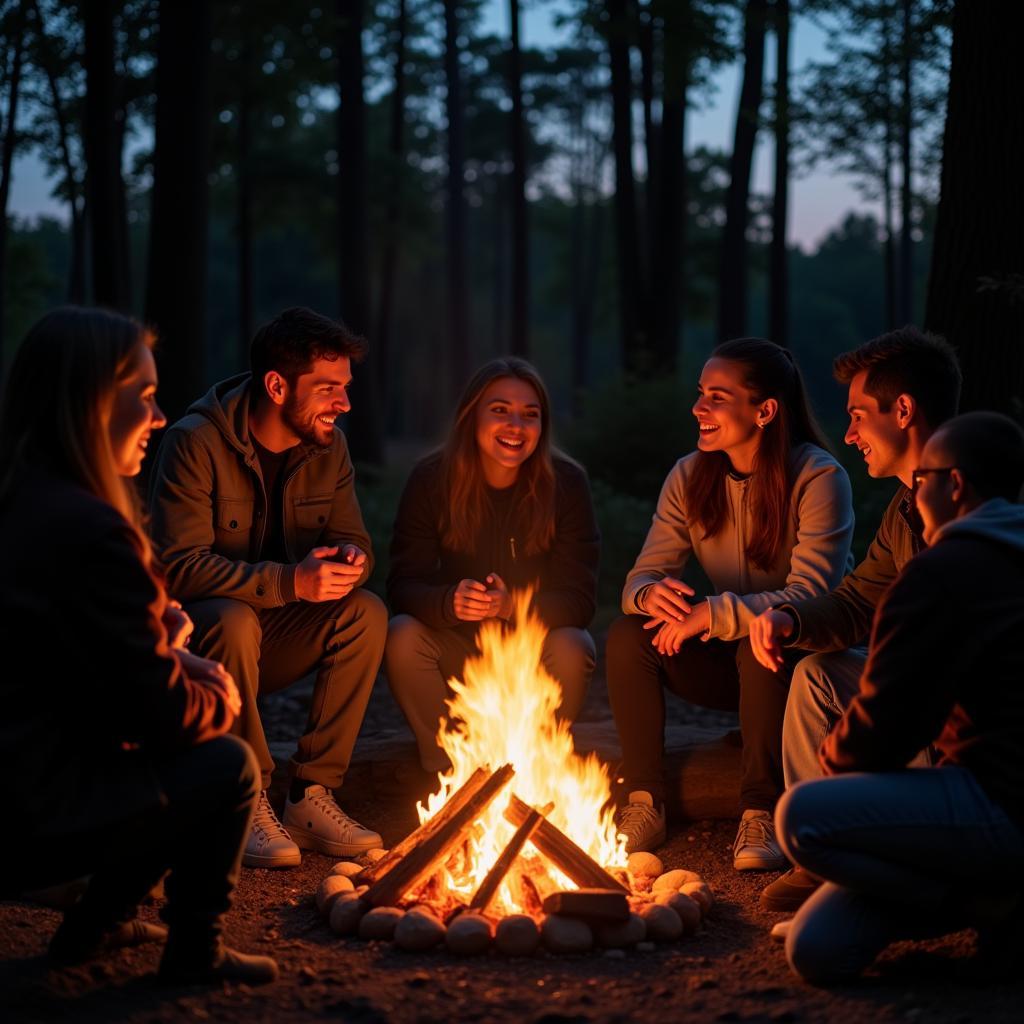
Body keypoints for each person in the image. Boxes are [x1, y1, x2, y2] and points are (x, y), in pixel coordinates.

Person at [0, 307, 276, 984]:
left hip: (19, 787)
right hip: (32, 819)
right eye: (145, 398)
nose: (157, 418)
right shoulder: (95, 532)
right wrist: (212, 684)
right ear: (93, 402)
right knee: (227, 766)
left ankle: (94, 930)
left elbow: (57, 671)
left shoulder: (22, 505)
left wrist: (162, 649)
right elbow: (164, 719)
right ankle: (196, 950)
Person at [775, 411, 1024, 985]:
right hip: (982, 801)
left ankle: (993, 904)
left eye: (923, 481)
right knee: (818, 949)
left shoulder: (944, 570)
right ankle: (984, 897)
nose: (915, 495)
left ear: (954, 485)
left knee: (802, 817)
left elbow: (886, 729)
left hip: (997, 802)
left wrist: (836, 776)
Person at [149, 307, 387, 869]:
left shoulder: (331, 449)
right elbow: (176, 569)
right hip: (198, 648)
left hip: (273, 635)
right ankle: (245, 793)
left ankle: (310, 795)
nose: (344, 404)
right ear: (277, 385)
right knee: (234, 617)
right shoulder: (194, 443)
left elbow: (358, 541)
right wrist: (289, 581)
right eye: (328, 389)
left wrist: (351, 561)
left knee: (366, 611)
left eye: (346, 389)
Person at [607, 338, 854, 867]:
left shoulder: (818, 476)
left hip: (802, 659)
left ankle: (760, 811)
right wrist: (653, 595)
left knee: (763, 633)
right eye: (700, 394)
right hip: (729, 666)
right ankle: (644, 800)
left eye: (717, 397)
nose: (699, 408)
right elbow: (640, 577)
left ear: (764, 410)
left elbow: (811, 592)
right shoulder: (690, 475)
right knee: (629, 635)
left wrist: (712, 614)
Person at [749, 327, 962, 910]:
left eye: (859, 416)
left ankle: (870, 843)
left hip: (967, 746)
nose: (848, 434)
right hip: (922, 720)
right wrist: (789, 619)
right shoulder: (905, 511)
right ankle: (818, 856)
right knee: (818, 672)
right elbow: (855, 603)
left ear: (903, 410)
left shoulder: (978, 502)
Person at [385, 357, 599, 773]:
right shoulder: (432, 479)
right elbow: (403, 585)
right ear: (471, 415)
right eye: (499, 410)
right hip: (457, 653)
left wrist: (510, 607)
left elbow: (579, 600)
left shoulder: (567, 484)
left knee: (575, 646)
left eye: (530, 415)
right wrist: (449, 602)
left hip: (534, 656)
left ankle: (535, 771)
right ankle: (449, 771)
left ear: (543, 425)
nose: (515, 426)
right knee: (401, 636)